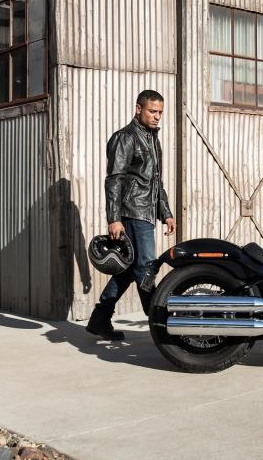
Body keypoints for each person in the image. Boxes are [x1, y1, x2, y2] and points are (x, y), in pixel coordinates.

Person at [86, 90, 176, 341]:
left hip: (146, 212)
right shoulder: (125, 138)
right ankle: (160, 325)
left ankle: (99, 319)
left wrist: (166, 213)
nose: (157, 116)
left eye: (160, 112)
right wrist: (114, 218)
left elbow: (155, 182)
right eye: (152, 111)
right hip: (132, 212)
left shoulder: (152, 139)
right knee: (146, 268)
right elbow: (114, 180)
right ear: (138, 109)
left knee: (127, 270)